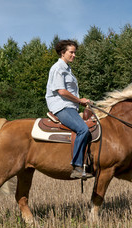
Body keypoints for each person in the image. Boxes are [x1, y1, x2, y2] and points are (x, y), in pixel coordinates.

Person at [45, 40, 93, 179]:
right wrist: (80, 100)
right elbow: (62, 91)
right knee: (83, 129)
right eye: (71, 52)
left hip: (70, 106)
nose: (74, 55)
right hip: (61, 106)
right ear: (63, 53)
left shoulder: (67, 68)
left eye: (74, 52)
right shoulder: (58, 68)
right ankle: (77, 167)